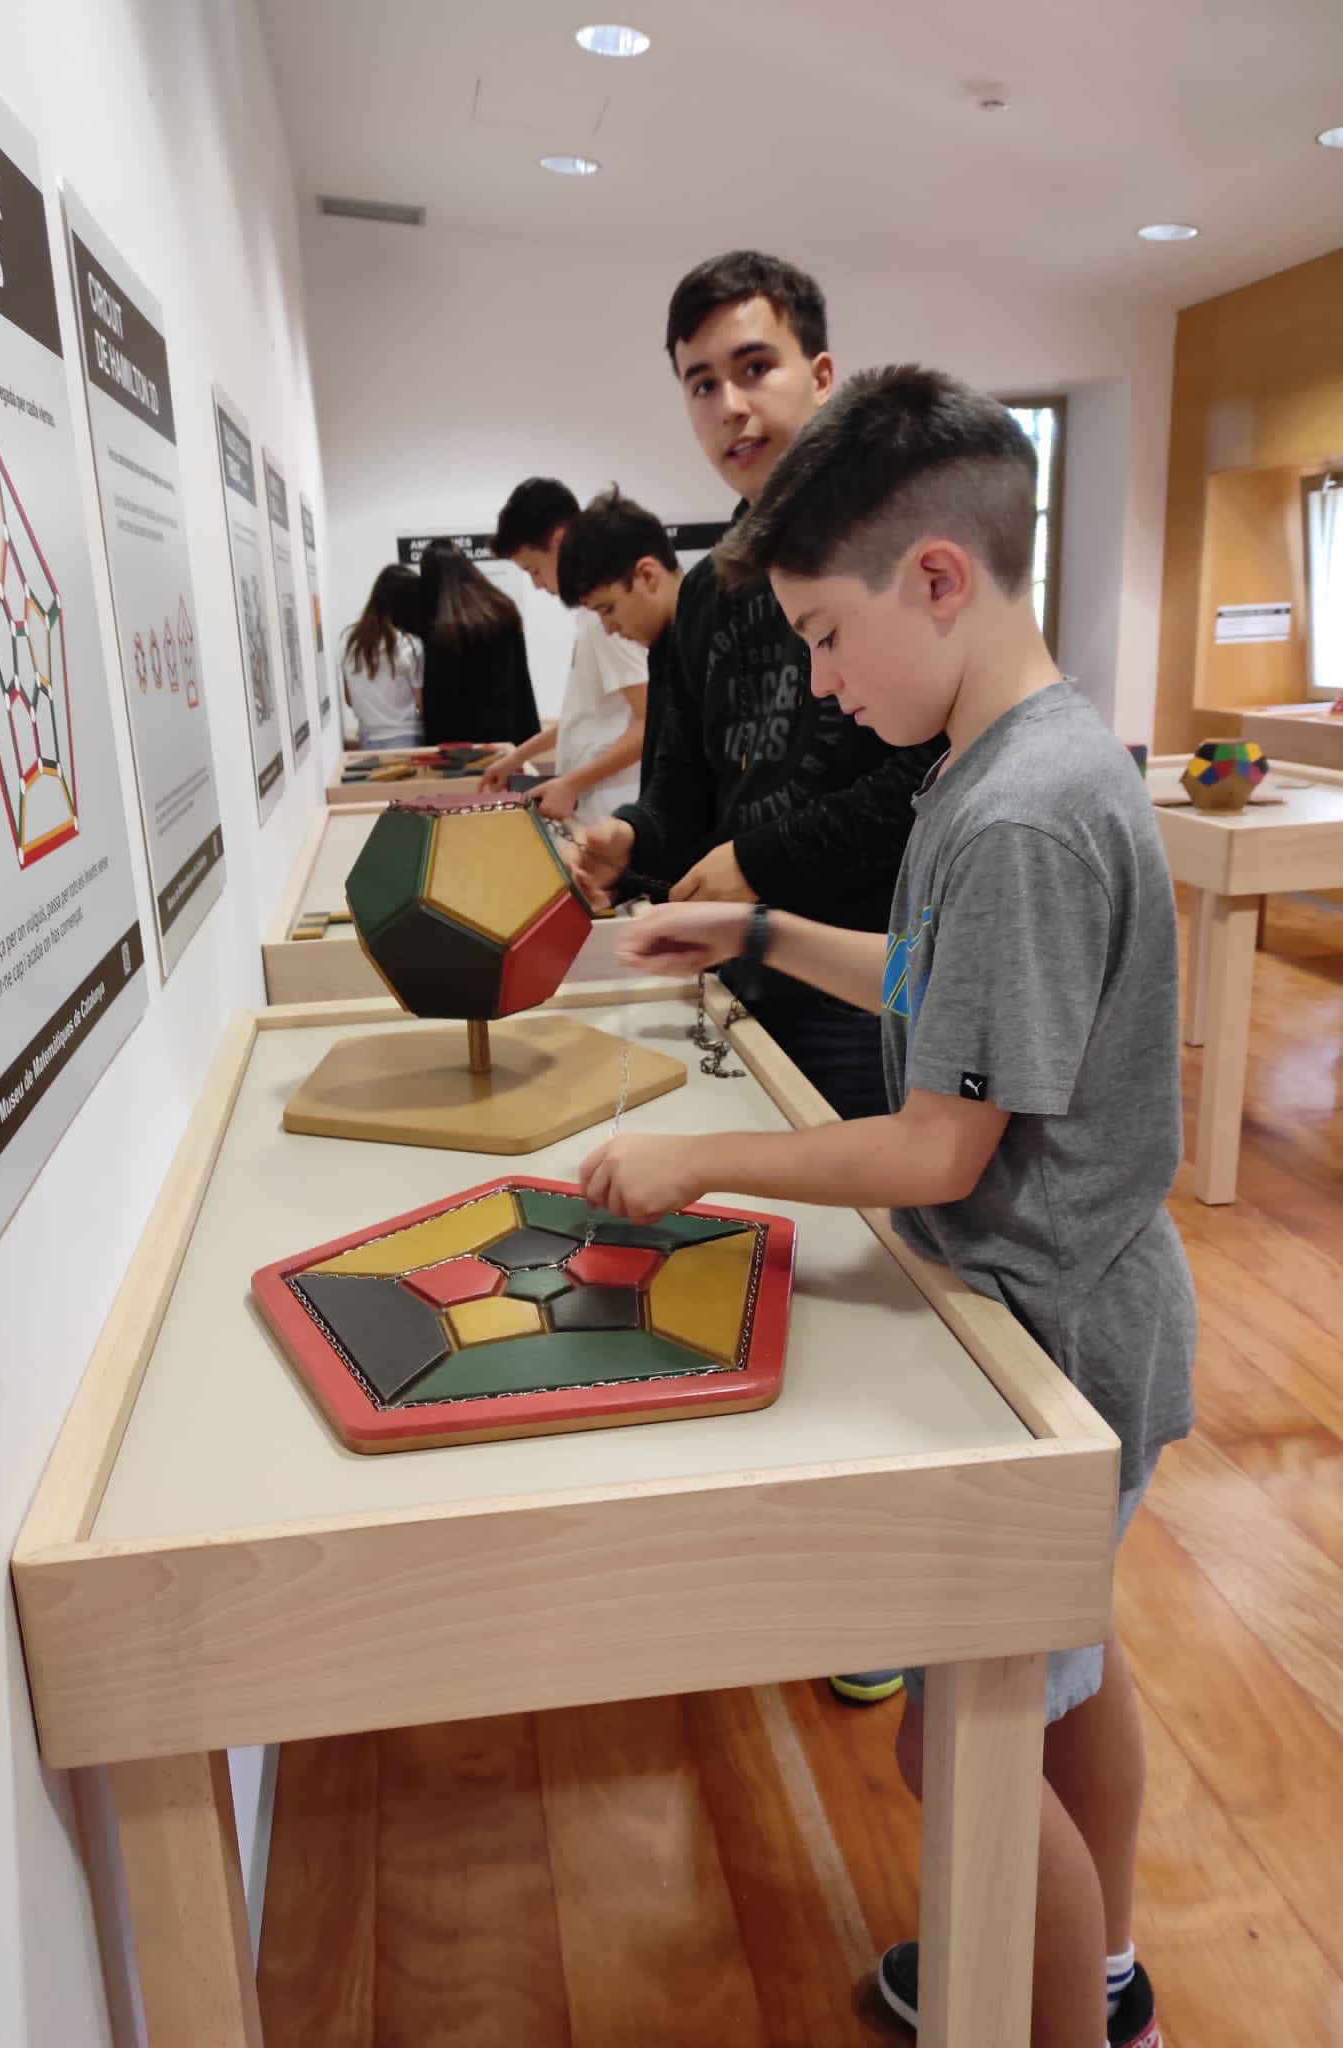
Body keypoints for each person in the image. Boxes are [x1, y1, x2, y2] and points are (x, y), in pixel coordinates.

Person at [579, 365, 1192, 2048]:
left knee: (960, 1739)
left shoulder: (1018, 812)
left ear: (935, 579)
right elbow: (938, 983)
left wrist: (698, 1163)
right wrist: (761, 932)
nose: (826, 683)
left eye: (827, 638)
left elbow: (936, 1150)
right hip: (1074, 1319)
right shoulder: (1009, 758)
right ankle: (1104, 1970)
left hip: (1056, 1338)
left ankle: (1065, 2017)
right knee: (1064, 1677)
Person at [572, 251, 944, 1134]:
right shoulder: (706, 593)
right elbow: (683, 788)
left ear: (820, 376)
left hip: (874, 985)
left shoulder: (899, 558)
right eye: (702, 384)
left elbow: (929, 781)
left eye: (754, 368)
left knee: (885, 1214)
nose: (730, 405)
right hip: (740, 978)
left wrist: (759, 860)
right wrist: (631, 837)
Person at [479, 477, 649, 823]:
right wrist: (517, 757)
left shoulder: (604, 617)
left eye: (535, 570)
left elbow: (650, 722)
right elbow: (585, 716)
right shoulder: (590, 614)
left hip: (614, 809)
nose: (536, 584)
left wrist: (572, 782)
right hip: (599, 805)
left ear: (560, 541)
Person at [554, 486, 683, 794]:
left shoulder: (711, 640)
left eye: (608, 609)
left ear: (647, 575)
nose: (610, 629)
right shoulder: (663, 649)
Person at [417, 541, 540, 747]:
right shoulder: (502, 608)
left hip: (464, 745)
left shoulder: (445, 627)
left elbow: (441, 702)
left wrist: (433, 745)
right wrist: (529, 737)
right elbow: (521, 680)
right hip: (508, 734)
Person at [338, 563, 424, 750]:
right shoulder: (409, 644)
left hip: (367, 738)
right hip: (406, 737)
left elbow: (350, 699)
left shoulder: (349, 640)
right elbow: (422, 704)